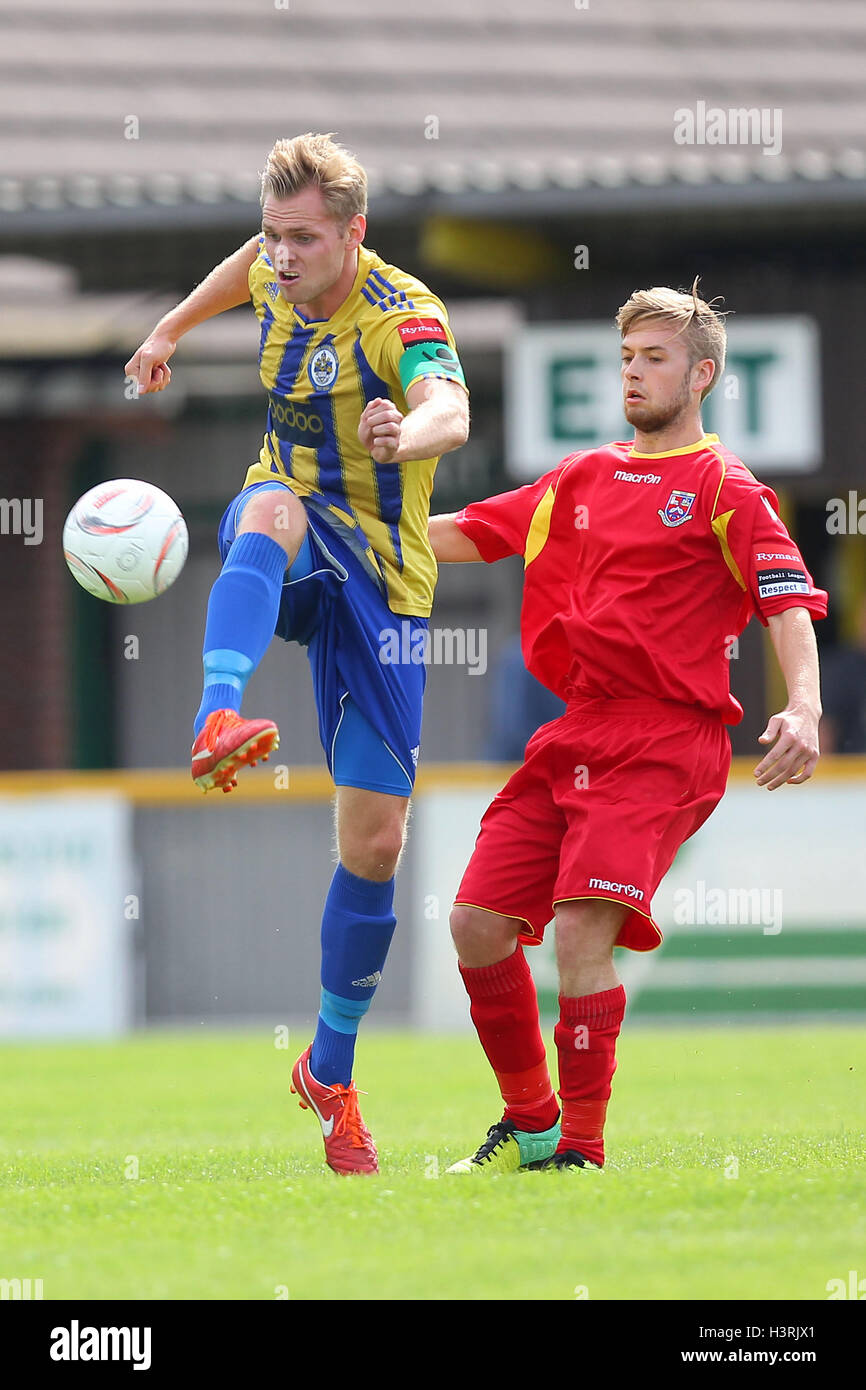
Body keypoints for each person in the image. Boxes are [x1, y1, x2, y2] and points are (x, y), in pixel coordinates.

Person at [125, 133, 469, 1175]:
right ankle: (214, 710)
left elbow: (446, 409)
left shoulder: (402, 312)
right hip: (291, 519)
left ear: (352, 235)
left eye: (303, 240)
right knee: (269, 503)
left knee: (373, 845)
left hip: (385, 580)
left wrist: (401, 438)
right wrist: (167, 331)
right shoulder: (275, 267)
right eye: (272, 234)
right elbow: (239, 267)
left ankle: (329, 1069)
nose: (279, 257)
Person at [427, 280, 826, 1174]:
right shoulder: (585, 476)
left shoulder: (726, 487)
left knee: (577, 931)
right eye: (627, 358)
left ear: (703, 374)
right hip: (578, 733)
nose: (635, 374)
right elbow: (472, 531)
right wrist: (363, 528)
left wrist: (802, 704)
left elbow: (786, 601)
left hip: (667, 740)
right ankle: (530, 1122)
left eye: (655, 358)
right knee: (475, 923)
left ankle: (580, 1149)